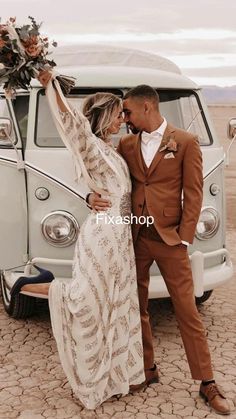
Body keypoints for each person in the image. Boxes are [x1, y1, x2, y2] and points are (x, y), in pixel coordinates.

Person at [88, 85, 231, 415]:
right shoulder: (125, 144)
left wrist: (184, 237)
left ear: (148, 108)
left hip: (169, 239)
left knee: (187, 311)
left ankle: (207, 381)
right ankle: (146, 370)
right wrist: (89, 198)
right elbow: (104, 178)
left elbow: (194, 193)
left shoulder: (185, 142)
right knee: (136, 308)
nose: (124, 119)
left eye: (128, 112)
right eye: (121, 114)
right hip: (135, 238)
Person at [14, 71, 145, 410]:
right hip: (102, 234)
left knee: (115, 304)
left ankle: (115, 377)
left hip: (120, 236)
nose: (121, 121)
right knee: (88, 300)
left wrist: (91, 196)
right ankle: (35, 285)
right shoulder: (91, 146)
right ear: (104, 116)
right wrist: (50, 85)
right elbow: (72, 122)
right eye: (118, 115)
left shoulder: (111, 151)